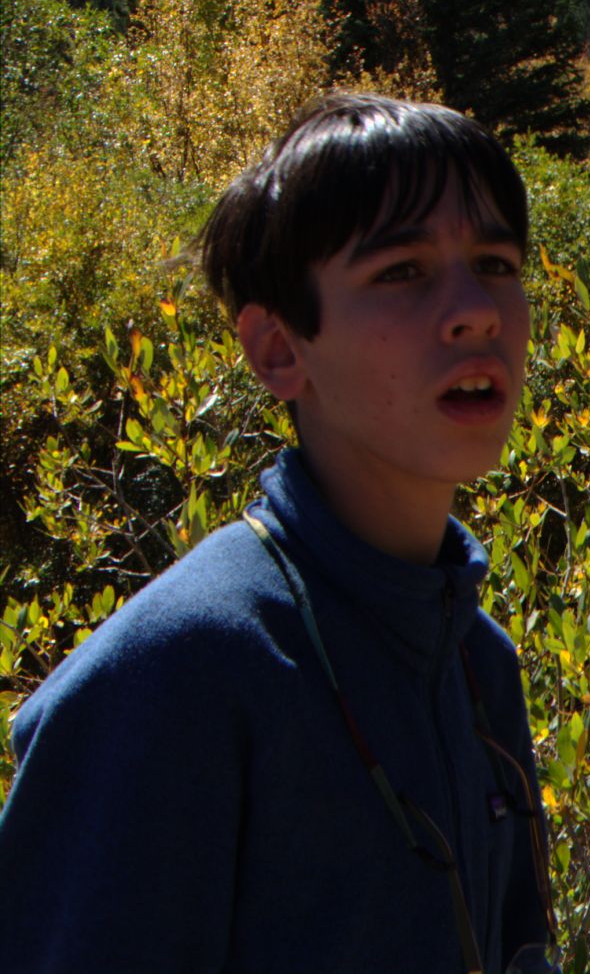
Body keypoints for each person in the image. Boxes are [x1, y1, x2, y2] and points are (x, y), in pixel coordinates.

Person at [1, 92, 559, 974]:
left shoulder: (476, 660)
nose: (475, 310)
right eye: (402, 271)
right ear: (276, 349)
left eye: (496, 262)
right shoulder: (177, 674)